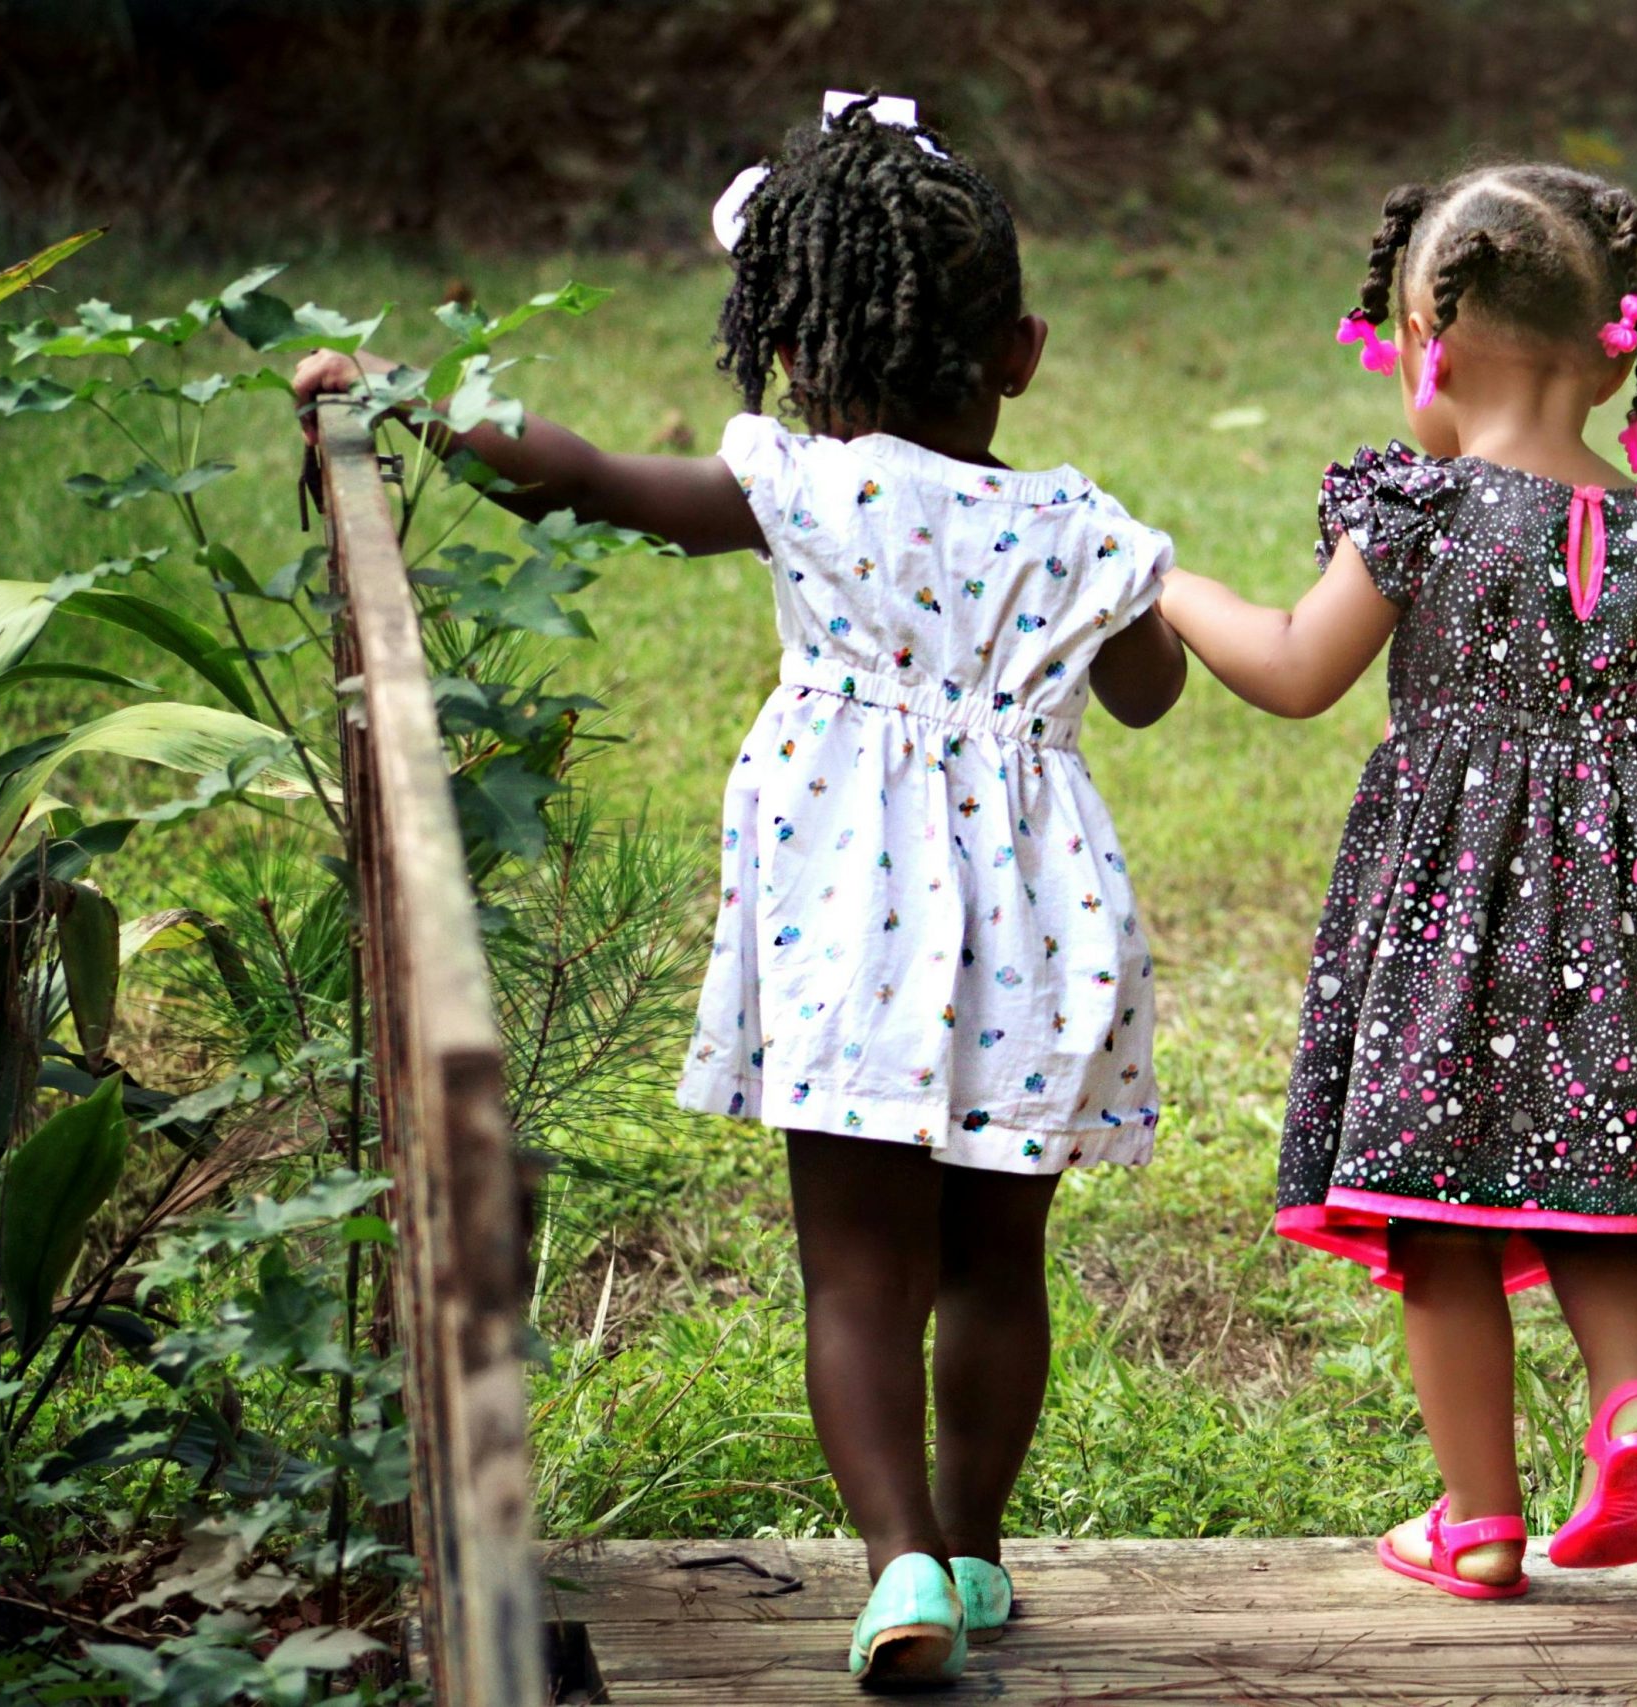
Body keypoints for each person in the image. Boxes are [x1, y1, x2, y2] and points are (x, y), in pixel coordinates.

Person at [294, 94, 1186, 1686]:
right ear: (1023, 352)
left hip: (849, 917)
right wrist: (1085, 605)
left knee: (859, 1273)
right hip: (1042, 938)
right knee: (1000, 1265)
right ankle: (977, 1556)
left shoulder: (797, 486)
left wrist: (404, 400)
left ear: (785, 349)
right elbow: (1147, 695)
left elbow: (574, 480)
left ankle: (899, 1562)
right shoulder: (1078, 526)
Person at [1157, 165, 1637, 1598]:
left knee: (1442, 1212)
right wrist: (1626, 797)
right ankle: (1633, 1407)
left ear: (1430, 347)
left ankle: (1477, 1519)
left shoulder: (1423, 512)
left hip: (1451, 928)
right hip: (1630, 916)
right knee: (1598, 1176)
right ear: (1613, 346)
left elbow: (1291, 669)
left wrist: (1164, 583)